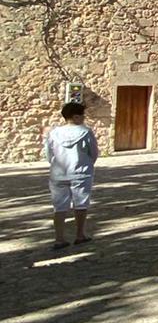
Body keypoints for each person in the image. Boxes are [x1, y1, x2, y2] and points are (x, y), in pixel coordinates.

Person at [45, 101, 99, 248]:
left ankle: (59, 238)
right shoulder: (85, 132)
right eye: (82, 115)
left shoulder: (54, 133)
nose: (84, 118)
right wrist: (87, 164)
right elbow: (93, 152)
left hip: (58, 174)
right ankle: (80, 234)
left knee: (59, 207)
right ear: (76, 117)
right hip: (80, 173)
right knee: (81, 204)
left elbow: (49, 154)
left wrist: (55, 165)